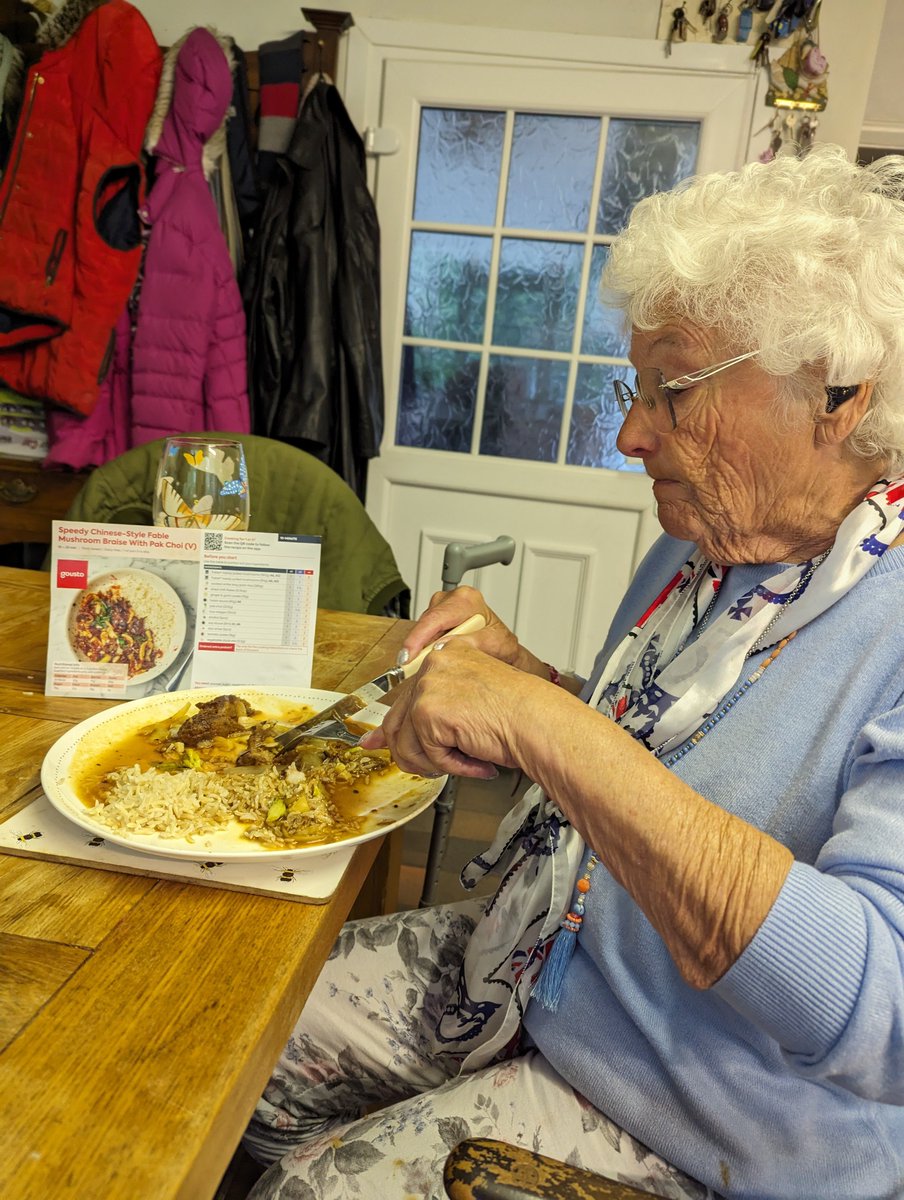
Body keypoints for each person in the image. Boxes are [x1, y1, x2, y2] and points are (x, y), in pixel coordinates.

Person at [242, 145, 904, 1200]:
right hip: (552, 968)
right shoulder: (704, 552)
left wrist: (550, 729)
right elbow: (663, 765)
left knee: (308, 1191)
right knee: (233, 1035)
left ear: (836, 398)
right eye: (630, 385)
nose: (631, 433)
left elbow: (883, 1017)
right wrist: (534, 689)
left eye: (673, 391)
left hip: (708, 1116)